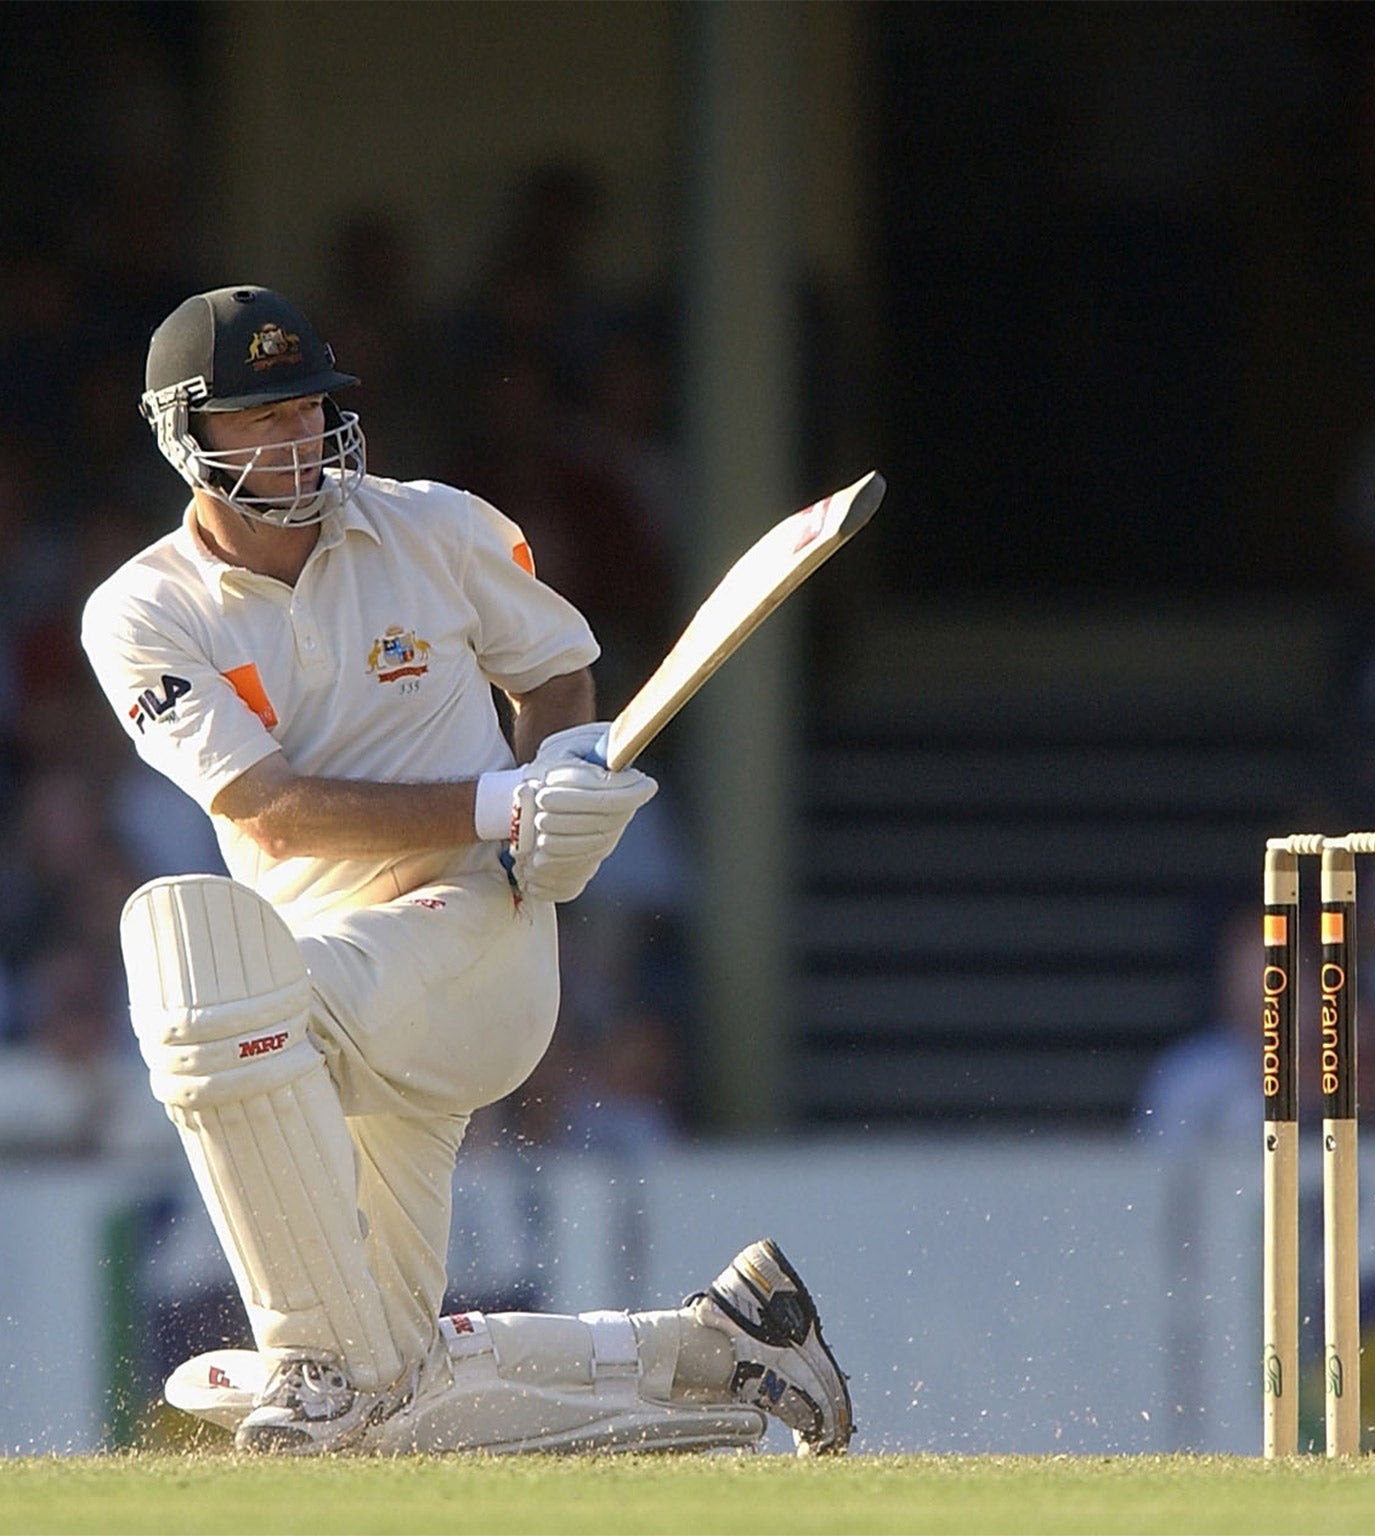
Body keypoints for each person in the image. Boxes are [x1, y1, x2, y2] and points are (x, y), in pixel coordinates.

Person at [79, 285, 852, 1456]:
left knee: (206, 982)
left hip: (468, 942)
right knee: (394, 1391)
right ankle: (722, 1348)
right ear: (186, 436)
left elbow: (554, 677)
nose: (295, 439)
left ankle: (311, 1366)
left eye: (307, 409)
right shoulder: (142, 611)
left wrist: (566, 783)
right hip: (319, 987)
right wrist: (507, 797)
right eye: (258, 417)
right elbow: (270, 814)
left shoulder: (433, 526)